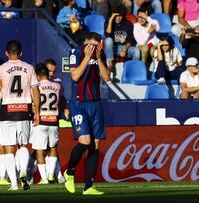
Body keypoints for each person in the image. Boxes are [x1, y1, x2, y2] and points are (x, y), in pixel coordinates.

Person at [0, 40, 41, 191]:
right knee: (23, 144)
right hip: (24, 108)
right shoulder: (29, 68)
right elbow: (36, 92)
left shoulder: (1, 69)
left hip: (7, 109)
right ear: (21, 53)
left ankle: (13, 183)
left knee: (8, 147)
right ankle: (23, 171)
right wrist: (37, 112)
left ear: (7, 53)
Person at [64, 32, 110, 195]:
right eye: (93, 45)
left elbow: (106, 78)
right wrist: (87, 57)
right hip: (79, 103)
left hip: (95, 102)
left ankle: (88, 186)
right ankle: (69, 172)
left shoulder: (99, 53)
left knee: (95, 145)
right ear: (86, 42)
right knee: (84, 141)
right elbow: (75, 76)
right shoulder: (75, 52)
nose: (95, 48)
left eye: (98, 45)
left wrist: (97, 58)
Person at [30, 63, 61, 184]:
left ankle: (44, 178)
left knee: (39, 149)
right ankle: (51, 175)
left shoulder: (35, 87)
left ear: (37, 76)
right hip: (53, 120)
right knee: (53, 148)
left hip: (41, 120)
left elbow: (33, 104)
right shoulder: (57, 85)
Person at [104, 5, 140, 79]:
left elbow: (130, 40)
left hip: (123, 47)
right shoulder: (109, 21)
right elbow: (107, 34)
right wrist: (111, 20)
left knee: (136, 51)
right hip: (112, 48)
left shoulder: (128, 24)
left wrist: (124, 49)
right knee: (108, 40)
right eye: (116, 16)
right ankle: (111, 65)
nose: (118, 18)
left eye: (120, 16)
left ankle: (133, 72)